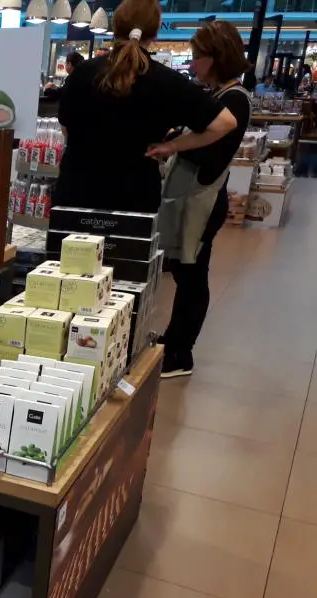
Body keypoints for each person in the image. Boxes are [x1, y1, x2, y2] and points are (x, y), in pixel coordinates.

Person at [54, 0, 237, 213]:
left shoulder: (82, 73)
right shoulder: (167, 81)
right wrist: (172, 146)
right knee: (127, 247)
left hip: (76, 192)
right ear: (155, 33)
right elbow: (225, 123)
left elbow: (66, 128)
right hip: (135, 196)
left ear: (116, 27)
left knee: (70, 246)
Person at [156, 21, 251, 378]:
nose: (193, 63)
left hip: (203, 202)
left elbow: (211, 153)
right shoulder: (220, 95)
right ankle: (172, 341)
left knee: (192, 276)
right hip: (194, 198)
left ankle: (180, 353)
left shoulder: (234, 101)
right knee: (186, 272)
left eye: (197, 56)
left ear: (216, 57)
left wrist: (174, 144)